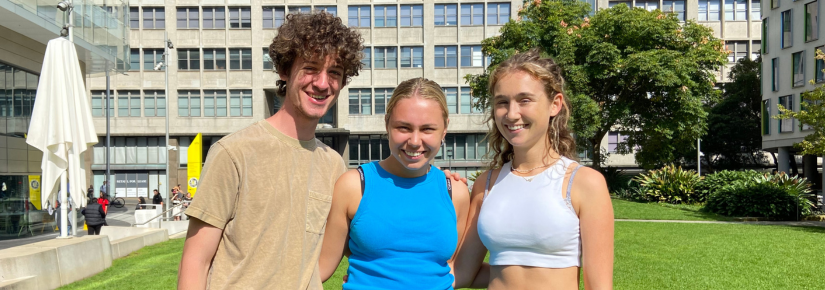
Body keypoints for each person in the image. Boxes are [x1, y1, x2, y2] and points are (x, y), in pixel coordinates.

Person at [177, 11, 366, 290]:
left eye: (334, 73)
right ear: (284, 70)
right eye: (311, 68)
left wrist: (445, 184)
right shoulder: (233, 152)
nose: (323, 83)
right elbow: (196, 262)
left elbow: (346, 248)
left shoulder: (335, 166)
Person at [453, 48, 615, 290]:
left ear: (555, 104)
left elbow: (599, 286)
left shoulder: (584, 183)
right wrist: (432, 183)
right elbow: (462, 273)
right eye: (502, 102)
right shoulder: (486, 184)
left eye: (524, 100)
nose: (511, 113)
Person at [319, 78, 470, 289]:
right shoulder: (354, 186)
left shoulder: (456, 192)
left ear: (444, 130)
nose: (415, 141)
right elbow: (320, 268)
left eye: (427, 129)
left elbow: (454, 267)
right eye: (404, 127)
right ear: (387, 124)